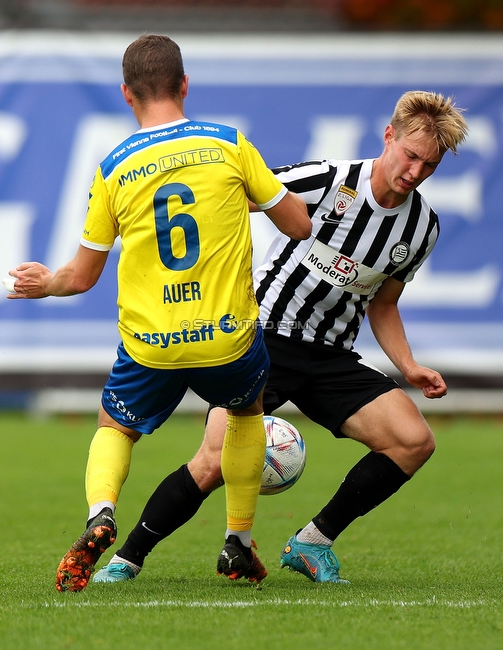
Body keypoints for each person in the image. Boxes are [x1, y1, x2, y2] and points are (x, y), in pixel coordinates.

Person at [90, 90, 468, 585]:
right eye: (410, 155)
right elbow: (235, 195)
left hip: (331, 355)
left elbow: (384, 303)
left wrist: (409, 364)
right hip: (265, 341)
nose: (415, 171)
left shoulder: (421, 228)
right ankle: (127, 558)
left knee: (413, 441)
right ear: (389, 136)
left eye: (429, 165)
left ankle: (314, 542)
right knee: (212, 462)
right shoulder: (328, 180)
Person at [5, 34, 311, 591]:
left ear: (127, 94)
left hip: (153, 343)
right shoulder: (229, 145)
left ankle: (101, 514)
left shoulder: (115, 168)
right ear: (185, 84)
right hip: (226, 338)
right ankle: (237, 543)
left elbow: (82, 276)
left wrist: (44, 283)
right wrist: (253, 195)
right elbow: (300, 226)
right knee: (246, 413)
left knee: (115, 427)